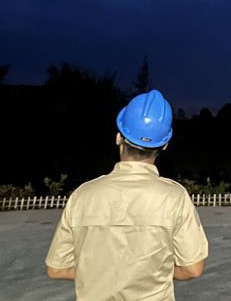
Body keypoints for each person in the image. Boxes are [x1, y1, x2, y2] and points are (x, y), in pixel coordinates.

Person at [45, 89, 208, 300]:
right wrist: (145, 274)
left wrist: (102, 275)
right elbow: (192, 269)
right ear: (164, 145)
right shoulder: (174, 197)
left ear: (118, 137)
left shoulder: (83, 195)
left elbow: (56, 269)